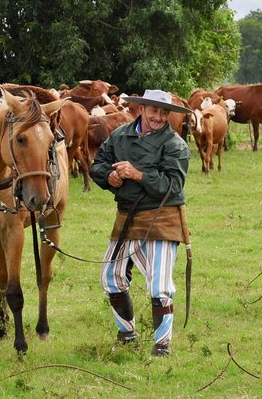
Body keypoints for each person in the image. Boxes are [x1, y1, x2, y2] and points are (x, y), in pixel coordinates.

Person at [90, 89, 192, 356]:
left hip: (163, 217)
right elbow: (98, 164)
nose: (158, 117)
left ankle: (162, 345)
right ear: (142, 110)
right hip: (126, 215)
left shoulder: (175, 144)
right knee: (110, 278)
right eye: (153, 111)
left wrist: (137, 175)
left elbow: (173, 186)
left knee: (160, 286)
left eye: (163, 112)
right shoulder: (120, 135)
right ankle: (127, 335)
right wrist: (108, 177)